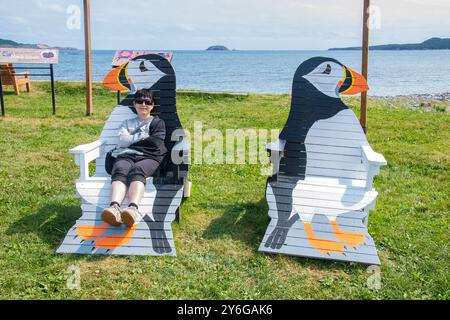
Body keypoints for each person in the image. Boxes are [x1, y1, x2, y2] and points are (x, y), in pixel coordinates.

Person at [101, 89, 168, 227]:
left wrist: (131, 140)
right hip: (126, 155)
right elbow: (122, 142)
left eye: (147, 102)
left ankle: (132, 209)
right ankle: (114, 208)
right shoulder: (126, 123)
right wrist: (144, 137)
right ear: (134, 104)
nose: (143, 104)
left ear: (152, 105)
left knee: (138, 170)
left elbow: (155, 143)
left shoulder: (157, 122)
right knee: (120, 169)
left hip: (150, 157)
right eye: (140, 101)